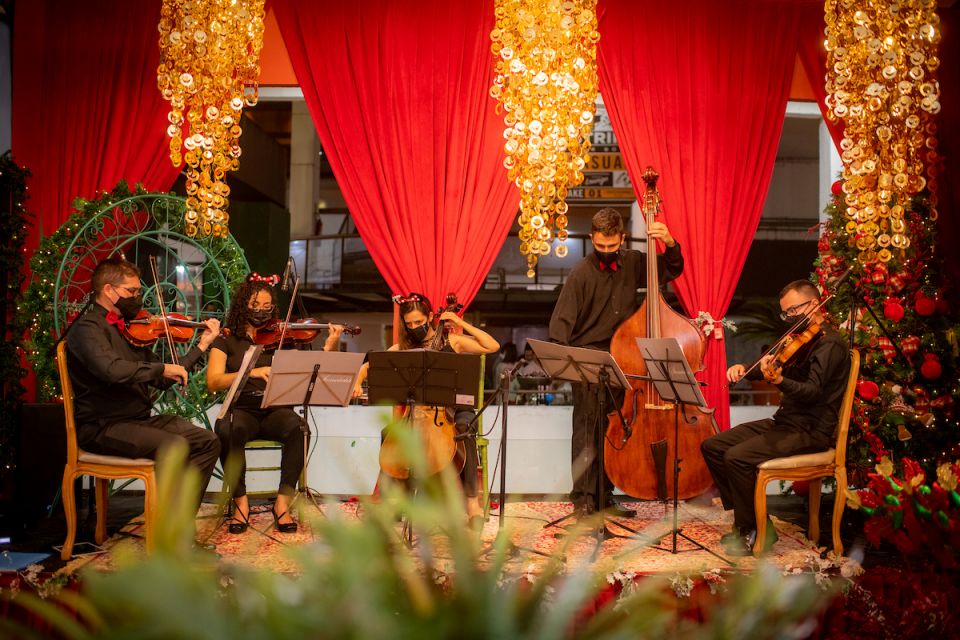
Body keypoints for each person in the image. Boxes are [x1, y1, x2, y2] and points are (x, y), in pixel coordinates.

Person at [66, 257, 222, 538]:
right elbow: (111, 370)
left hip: (137, 421)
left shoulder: (128, 330)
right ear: (109, 290)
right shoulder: (88, 329)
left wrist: (201, 345)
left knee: (207, 441)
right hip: (102, 426)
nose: (138, 298)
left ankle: (178, 523)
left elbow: (163, 379)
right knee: (173, 445)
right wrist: (162, 366)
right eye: (132, 292)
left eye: (138, 292)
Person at [548, 207, 683, 518]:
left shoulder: (635, 262)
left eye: (612, 246)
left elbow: (671, 270)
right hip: (588, 359)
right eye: (600, 246)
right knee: (586, 433)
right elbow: (561, 322)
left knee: (613, 434)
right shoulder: (580, 272)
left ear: (622, 239)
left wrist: (670, 243)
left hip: (623, 360)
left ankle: (605, 497)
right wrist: (560, 358)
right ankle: (582, 501)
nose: (606, 252)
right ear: (593, 239)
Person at [700, 280, 850, 556]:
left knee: (737, 457)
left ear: (814, 305)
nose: (789, 318)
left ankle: (751, 530)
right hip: (786, 422)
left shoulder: (830, 345)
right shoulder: (799, 340)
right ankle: (754, 524)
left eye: (793, 310)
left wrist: (780, 381)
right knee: (713, 446)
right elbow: (769, 366)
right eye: (786, 313)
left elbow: (813, 393)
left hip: (811, 430)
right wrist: (744, 369)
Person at [206, 273, 343, 534]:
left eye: (267, 306)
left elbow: (317, 369)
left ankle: (281, 503)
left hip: (276, 409)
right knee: (226, 429)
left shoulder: (283, 337)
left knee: (300, 429)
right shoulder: (226, 339)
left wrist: (331, 345)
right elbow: (213, 381)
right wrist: (251, 372)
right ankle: (241, 504)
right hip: (243, 409)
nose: (261, 311)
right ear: (242, 306)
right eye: (255, 305)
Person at [355, 292, 499, 527]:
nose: (414, 328)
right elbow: (372, 365)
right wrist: (359, 378)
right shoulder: (403, 347)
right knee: (388, 433)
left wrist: (460, 322)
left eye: (419, 323)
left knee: (465, 430)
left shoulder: (453, 341)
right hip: (420, 411)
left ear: (431, 317)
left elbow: (492, 346)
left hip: (454, 408)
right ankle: (395, 501)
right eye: (409, 324)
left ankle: (471, 504)